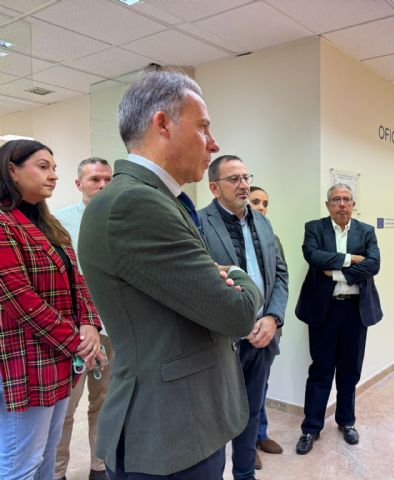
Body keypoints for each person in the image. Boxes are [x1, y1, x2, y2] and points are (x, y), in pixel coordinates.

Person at [78, 71, 263, 480]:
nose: (213, 144)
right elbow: (236, 312)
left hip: (188, 420)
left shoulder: (159, 199)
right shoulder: (134, 203)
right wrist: (237, 273)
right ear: (163, 124)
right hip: (169, 433)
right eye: (203, 128)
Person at [0, 139, 103, 480]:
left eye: (54, 168)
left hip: (58, 361)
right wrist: (77, 341)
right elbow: (22, 301)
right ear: (11, 170)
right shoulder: (3, 224)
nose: (53, 175)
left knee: (46, 456)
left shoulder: (50, 225)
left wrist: (89, 324)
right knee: (21, 463)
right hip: (25, 362)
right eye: (43, 167)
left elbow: (79, 281)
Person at [198, 156, 288, 480]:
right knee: (219, 418)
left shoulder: (262, 222)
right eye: (233, 179)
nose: (243, 185)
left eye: (245, 177)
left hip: (263, 337)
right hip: (222, 342)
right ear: (214, 187)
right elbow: (201, 284)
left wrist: (273, 318)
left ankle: (245, 474)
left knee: (250, 414)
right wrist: (239, 321)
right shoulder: (198, 223)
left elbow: (279, 274)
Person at [294, 183, 382, 455]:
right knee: (320, 369)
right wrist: (350, 259)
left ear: (353, 204)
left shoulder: (366, 230)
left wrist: (336, 273)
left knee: (349, 370)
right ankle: (311, 428)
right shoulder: (314, 228)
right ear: (328, 205)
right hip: (324, 310)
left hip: (355, 310)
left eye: (346, 199)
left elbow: (373, 264)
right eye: (336, 200)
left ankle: (346, 421)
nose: (342, 204)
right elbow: (314, 256)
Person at [55, 157, 113, 480]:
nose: (103, 185)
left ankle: (99, 467)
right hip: (75, 335)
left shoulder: (123, 220)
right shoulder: (59, 224)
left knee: (104, 403)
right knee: (65, 410)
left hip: (113, 330)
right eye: (95, 180)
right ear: (79, 184)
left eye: (107, 179)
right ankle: (57, 472)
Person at [248, 185, 285, 467]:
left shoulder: (273, 238)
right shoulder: (227, 237)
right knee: (239, 389)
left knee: (261, 386)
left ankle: (260, 435)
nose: (261, 207)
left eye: (265, 203)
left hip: (269, 328)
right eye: (255, 201)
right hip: (239, 330)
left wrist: (272, 318)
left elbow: (281, 280)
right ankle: (245, 444)